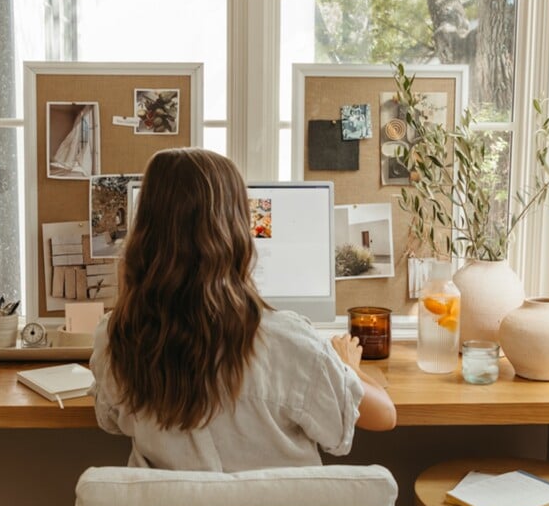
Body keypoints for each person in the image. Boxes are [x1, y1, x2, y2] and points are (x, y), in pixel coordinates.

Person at [90, 147, 396, 471]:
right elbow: (385, 416)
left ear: (144, 234)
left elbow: (110, 419)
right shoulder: (290, 343)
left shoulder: (117, 339)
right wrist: (349, 366)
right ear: (236, 233)